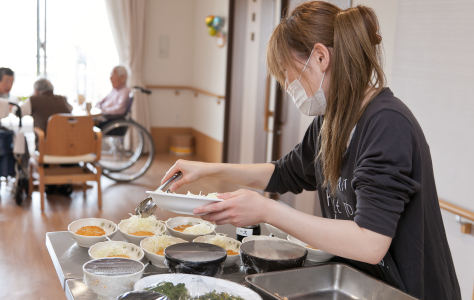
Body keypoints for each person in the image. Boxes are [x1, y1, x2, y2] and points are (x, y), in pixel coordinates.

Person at [161, 2, 460, 299]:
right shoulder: (331, 121)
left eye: (288, 72)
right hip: (361, 285)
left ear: (320, 57)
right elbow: (284, 173)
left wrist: (267, 209)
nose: (288, 84)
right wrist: (209, 168)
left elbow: (370, 243)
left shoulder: (387, 125)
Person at [14, 78, 73, 195]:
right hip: (70, 147)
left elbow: (17, 111)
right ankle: (67, 183)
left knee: (43, 143)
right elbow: (71, 109)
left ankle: (49, 184)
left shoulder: (34, 100)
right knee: (62, 142)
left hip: (46, 149)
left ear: (36, 91)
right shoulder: (63, 99)